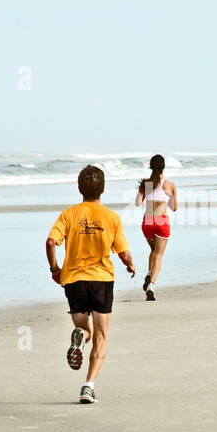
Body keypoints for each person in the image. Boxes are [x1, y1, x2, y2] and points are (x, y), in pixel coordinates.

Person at [46, 165, 136, 403]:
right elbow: (124, 253)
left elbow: (50, 242)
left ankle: (79, 334)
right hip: (101, 280)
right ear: (103, 189)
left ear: (79, 188)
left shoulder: (68, 214)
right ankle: (88, 386)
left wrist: (55, 269)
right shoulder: (111, 217)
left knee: (85, 329)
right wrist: (130, 264)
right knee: (101, 337)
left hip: (74, 281)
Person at [134, 154, 177, 301]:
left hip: (147, 222)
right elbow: (174, 207)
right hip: (162, 222)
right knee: (158, 254)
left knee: (153, 250)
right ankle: (151, 284)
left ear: (151, 167)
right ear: (163, 166)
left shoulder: (146, 184)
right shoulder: (169, 185)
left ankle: (148, 273)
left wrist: (144, 192)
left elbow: (138, 203)